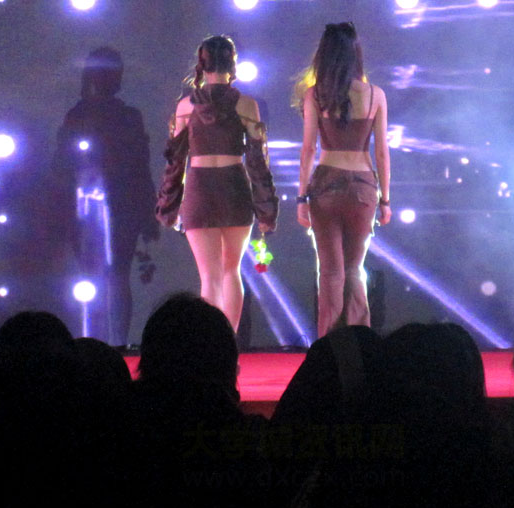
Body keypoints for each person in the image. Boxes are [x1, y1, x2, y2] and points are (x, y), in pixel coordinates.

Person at [156, 35, 278, 331]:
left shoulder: (186, 106)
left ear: (202, 62)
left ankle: (212, 344)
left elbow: (175, 162)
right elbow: (258, 162)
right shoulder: (246, 104)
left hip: (199, 189)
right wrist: (266, 208)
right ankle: (229, 342)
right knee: (231, 271)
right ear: (232, 63)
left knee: (209, 277)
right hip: (234, 187)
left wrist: (169, 203)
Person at [52, 47, 158, 346]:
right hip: (103, 206)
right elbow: (140, 166)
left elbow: (139, 166)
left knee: (107, 276)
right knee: (112, 277)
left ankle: (102, 342)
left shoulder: (84, 115)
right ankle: (108, 342)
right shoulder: (103, 116)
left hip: (113, 206)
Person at [294, 22, 390, 338]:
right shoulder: (375, 95)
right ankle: (361, 344)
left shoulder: (315, 95)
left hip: (325, 185)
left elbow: (308, 150)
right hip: (363, 186)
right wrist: (386, 199)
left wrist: (301, 197)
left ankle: (329, 346)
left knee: (330, 272)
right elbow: (381, 153)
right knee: (354, 269)